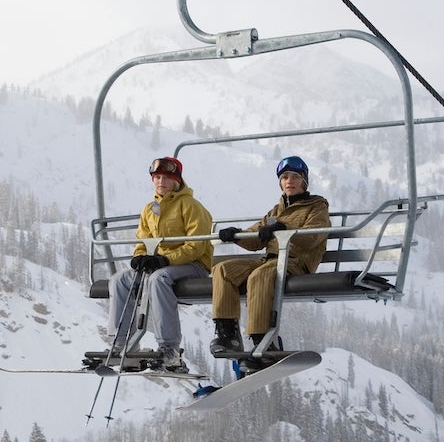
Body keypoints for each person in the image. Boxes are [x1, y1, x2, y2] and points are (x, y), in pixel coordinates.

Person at [209, 155, 329, 357]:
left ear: (304, 181)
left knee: (259, 276)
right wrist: (236, 235)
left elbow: (314, 236)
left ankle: (262, 340)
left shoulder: (316, 207)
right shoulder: (277, 210)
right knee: (223, 269)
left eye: (294, 176)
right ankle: (227, 333)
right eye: (284, 177)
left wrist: (284, 228)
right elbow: (256, 238)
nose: (289, 181)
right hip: (270, 260)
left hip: (296, 262)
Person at [107, 155, 214, 371]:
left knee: (158, 279)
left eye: (166, 177)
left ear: (177, 181)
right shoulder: (150, 209)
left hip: (192, 266)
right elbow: (142, 239)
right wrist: (140, 257)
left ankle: (170, 349)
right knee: (119, 279)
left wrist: (165, 259)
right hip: (161, 265)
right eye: (156, 177)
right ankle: (120, 344)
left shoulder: (191, 206)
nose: (160, 182)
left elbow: (197, 246)